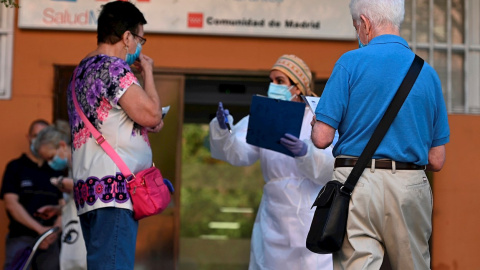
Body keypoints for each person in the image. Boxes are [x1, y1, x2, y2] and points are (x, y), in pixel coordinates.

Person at [311, 0, 450, 269]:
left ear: (365, 22)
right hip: (410, 185)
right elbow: (437, 159)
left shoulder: (349, 63)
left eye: (356, 27)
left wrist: (317, 123)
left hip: (355, 184)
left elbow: (322, 138)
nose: (358, 35)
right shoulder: (428, 74)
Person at [210, 54, 334, 270]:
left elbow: (332, 168)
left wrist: (306, 153)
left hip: (311, 212)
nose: (272, 86)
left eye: (280, 81)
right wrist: (223, 131)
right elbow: (239, 153)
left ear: (297, 87)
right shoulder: (265, 116)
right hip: (274, 217)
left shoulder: (319, 116)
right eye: (271, 80)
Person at [66, 1, 163, 269]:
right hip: (114, 192)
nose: (138, 47)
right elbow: (153, 115)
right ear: (127, 36)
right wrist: (149, 73)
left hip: (89, 191)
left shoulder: (79, 73)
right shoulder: (113, 68)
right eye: (140, 38)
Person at [0, 119, 63, 270]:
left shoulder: (57, 169)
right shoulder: (15, 167)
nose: (40, 141)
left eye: (44, 137)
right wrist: (39, 231)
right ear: (28, 137)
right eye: (36, 136)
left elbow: (65, 205)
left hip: (51, 240)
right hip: (21, 238)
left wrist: (53, 231)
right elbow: (11, 204)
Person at [33, 120, 87, 270]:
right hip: (72, 235)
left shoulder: (83, 160)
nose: (51, 163)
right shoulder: (70, 168)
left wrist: (65, 183)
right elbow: (74, 203)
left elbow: (92, 187)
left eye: (50, 158)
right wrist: (57, 209)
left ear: (62, 145)